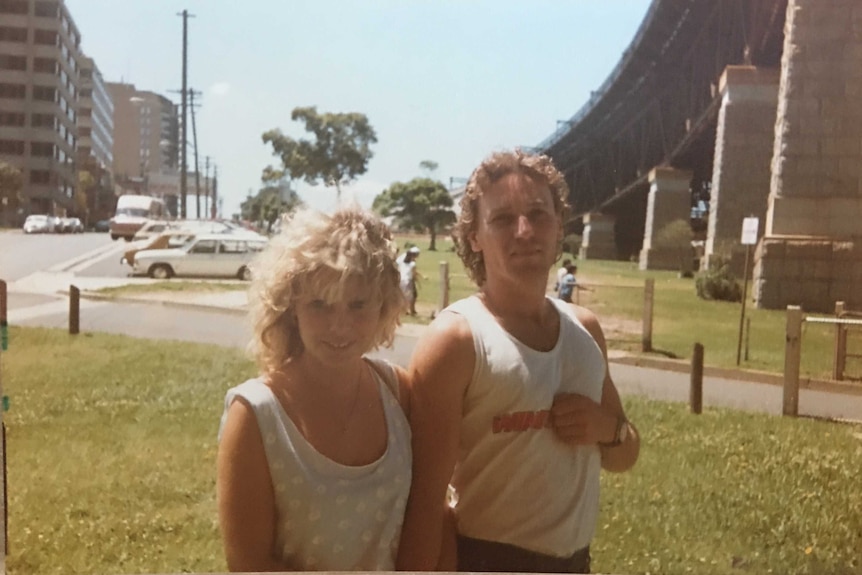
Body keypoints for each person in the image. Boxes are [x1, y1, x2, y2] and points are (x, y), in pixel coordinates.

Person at [396, 150, 640, 574]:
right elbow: (423, 503)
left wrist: (606, 429)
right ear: (474, 236)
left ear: (559, 225)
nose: (524, 230)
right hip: (484, 559)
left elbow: (625, 454)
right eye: (503, 219)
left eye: (537, 213)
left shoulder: (585, 330)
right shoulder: (456, 340)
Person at [217, 206, 412, 572]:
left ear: (383, 306)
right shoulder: (256, 414)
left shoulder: (399, 392)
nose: (340, 327)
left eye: (358, 305)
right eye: (319, 305)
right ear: (292, 308)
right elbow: (249, 565)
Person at [398, 246, 422, 316]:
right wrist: (418, 280)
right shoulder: (412, 264)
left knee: (405, 295)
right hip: (408, 280)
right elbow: (414, 273)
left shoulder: (404, 259)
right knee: (410, 296)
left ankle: (407, 310)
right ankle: (408, 310)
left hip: (401, 279)